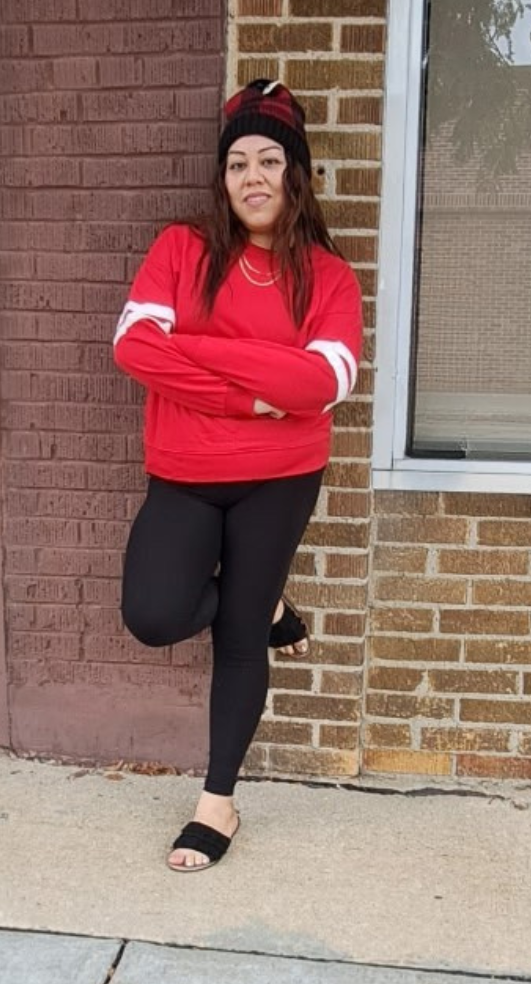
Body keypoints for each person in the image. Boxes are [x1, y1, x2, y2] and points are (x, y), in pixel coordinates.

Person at [113, 79, 363, 872]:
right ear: (222, 178)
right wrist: (260, 388)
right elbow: (134, 348)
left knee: (238, 636)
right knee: (154, 613)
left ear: (296, 174)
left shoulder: (329, 278)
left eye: (269, 160)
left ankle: (217, 803)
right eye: (237, 164)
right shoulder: (181, 250)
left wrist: (198, 352)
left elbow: (324, 382)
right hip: (185, 473)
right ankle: (266, 598)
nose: (252, 177)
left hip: (281, 477)